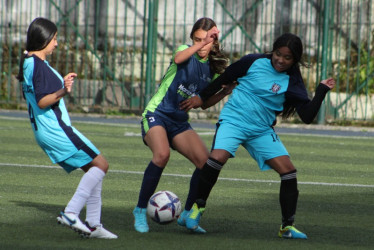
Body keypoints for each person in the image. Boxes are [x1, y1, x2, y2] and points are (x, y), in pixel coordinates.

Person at [180, 33, 336, 239]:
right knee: (217, 158)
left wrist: (322, 91)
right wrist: (201, 97)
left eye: (287, 58)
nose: (280, 60)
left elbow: (307, 116)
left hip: (261, 130)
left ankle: (287, 227)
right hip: (234, 121)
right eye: (278, 54)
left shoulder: (292, 81)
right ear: (273, 51)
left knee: (288, 172)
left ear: (295, 60)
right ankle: (197, 208)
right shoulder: (252, 61)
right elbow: (225, 78)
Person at [17, 17, 117, 239]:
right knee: (101, 165)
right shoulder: (38, 65)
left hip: (46, 131)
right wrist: (63, 91)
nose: (57, 43)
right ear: (43, 39)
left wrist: (60, 83)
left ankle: (93, 224)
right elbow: (43, 101)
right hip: (56, 130)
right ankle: (72, 212)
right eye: (54, 39)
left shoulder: (28, 62)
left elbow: (39, 91)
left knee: (94, 169)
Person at [132, 17, 231, 234]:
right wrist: (200, 42)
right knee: (161, 155)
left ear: (215, 42)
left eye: (208, 41)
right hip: (157, 114)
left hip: (178, 122)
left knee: (206, 164)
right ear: (192, 39)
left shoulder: (212, 68)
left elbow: (203, 104)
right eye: (197, 39)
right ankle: (140, 210)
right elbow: (178, 59)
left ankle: (186, 214)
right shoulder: (185, 50)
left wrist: (224, 92)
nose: (202, 45)